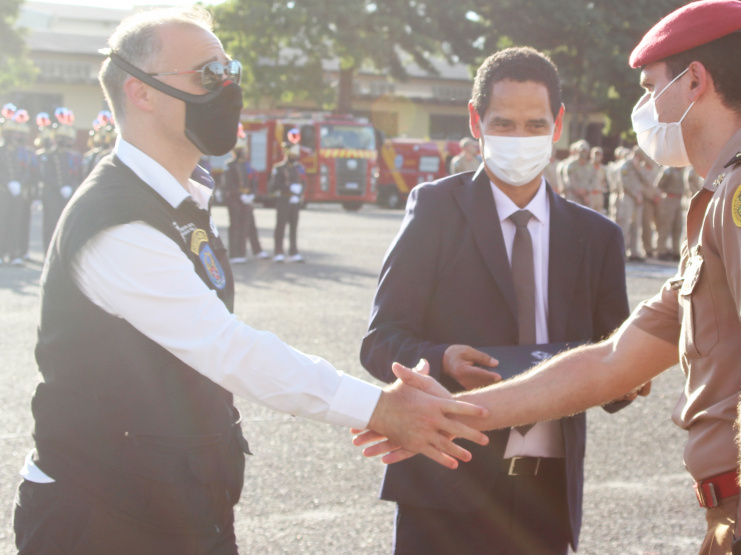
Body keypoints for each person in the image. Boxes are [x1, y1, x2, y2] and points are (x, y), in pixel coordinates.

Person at [359, 2, 741, 554]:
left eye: (650, 88)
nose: (644, 108)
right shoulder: (729, 196)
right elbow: (611, 361)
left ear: (694, 81)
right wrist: (445, 412)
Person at [12, 8, 488, 554]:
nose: (228, 90)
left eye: (231, 72)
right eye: (208, 76)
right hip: (102, 516)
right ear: (138, 91)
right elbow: (227, 348)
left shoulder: (179, 198)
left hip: (178, 503)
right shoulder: (117, 221)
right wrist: (380, 409)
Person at [360, 46, 630, 555]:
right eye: (503, 124)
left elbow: (610, 366)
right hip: (445, 490)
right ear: (475, 120)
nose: (520, 139)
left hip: (544, 498)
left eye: (535, 124)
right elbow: (380, 341)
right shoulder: (436, 209)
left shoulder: (597, 238)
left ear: (559, 124)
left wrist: (629, 379)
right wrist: (441, 358)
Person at [39, 108, 82, 253]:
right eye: (60, 137)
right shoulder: (49, 155)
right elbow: (46, 175)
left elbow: (78, 175)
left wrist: (71, 187)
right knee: (51, 224)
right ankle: (49, 252)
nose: (63, 140)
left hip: (69, 194)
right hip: (52, 194)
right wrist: (60, 187)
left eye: (66, 138)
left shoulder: (75, 156)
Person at [0, 105, 37, 266]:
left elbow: (28, 169)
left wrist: (20, 183)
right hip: (3, 192)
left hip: (19, 192)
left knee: (17, 222)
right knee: (2, 223)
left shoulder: (23, 152)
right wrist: (8, 182)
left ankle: (14, 253)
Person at [224, 136, 267, 263]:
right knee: (236, 225)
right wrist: (240, 195)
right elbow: (229, 183)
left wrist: (252, 194)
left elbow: (253, 180)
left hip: (247, 198)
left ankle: (244, 252)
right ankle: (234, 254)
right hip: (235, 198)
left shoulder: (247, 165)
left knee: (247, 225)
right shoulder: (229, 165)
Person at [617, 146, 654, 261]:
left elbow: (647, 182)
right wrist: (635, 194)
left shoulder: (639, 167)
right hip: (628, 197)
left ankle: (634, 252)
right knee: (625, 225)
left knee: (636, 225)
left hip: (638, 198)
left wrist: (639, 168)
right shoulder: (625, 165)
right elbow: (625, 183)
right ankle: (621, 251)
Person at [271, 140, 305, 263]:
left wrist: (299, 193)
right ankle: (278, 251)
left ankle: (293, 251)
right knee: (280, 226)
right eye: (292, 154)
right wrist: (289, 188)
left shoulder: (299, 168)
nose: (295, 157)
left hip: (294, 201)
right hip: (284, 200)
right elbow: (274, 185)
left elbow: (303, 182)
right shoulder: (279, 168)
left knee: (294, 226)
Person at [654, 165, 685, 261]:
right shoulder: (668, 170)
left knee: (678, 227)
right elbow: (659, 184)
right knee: (665, 226)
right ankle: (661, 250)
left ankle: (676, 251)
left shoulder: (683, 171)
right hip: (669, 199)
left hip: (679, 200)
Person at [559, 139, 593, 205]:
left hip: (587, 198)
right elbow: (570, 182)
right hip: (573, 197)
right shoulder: (570, 165)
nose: (583, 153)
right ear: (577, 151)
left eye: (585, 151)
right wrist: (583, 195)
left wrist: (586, 192)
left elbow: (592, 180)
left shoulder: (590, 166)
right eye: (582, 151)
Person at [589, 146, 608, 212]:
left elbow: (605, 181)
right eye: (595, 154)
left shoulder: (603, 169)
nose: (597, 156)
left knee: (599, 214)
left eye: (599, 154)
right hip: (590, 195)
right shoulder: (587, 167)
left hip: (599, 194)